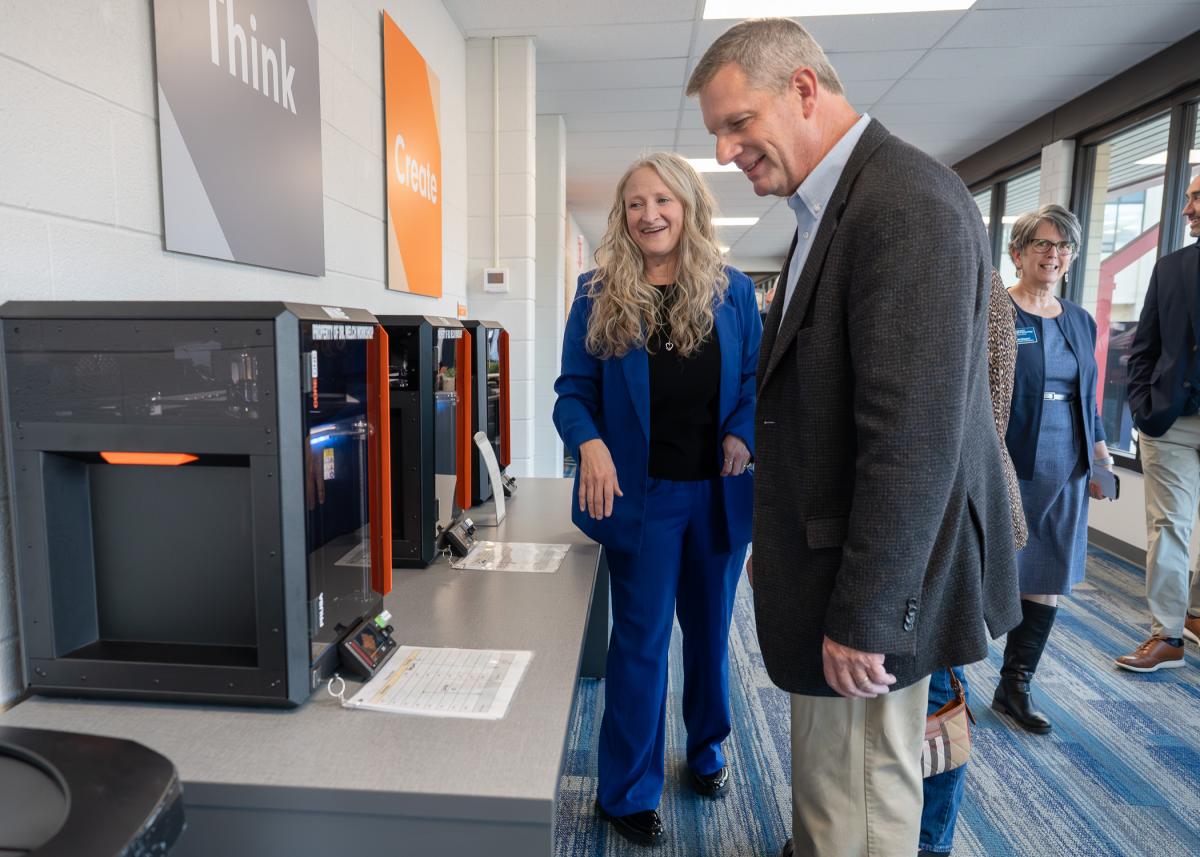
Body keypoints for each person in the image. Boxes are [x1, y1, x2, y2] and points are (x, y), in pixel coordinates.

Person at [688, 18, 1020, 857]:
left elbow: (911, 438)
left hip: (872, 596)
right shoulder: (826, 208)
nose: (726, 153)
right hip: (830, 561)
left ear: (803, 88)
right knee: (828, 796)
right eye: (716, 134)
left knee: (859, 813)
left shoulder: (903, 203)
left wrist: (870, 613)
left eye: (737, 123)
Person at [552, 152, 762, 846]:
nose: (650, 215)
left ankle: (706, 749)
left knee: (708, 634)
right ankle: (626, 789)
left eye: (664, 201)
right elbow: (572, 393)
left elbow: (758, 380)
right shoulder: (596, 293)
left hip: (717, 495)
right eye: (637, 203)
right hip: (641, 500)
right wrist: (590, 443)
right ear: (623, 215)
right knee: (639, 645)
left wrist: (740, 430)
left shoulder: (731, 292)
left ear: (690, 207)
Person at [920, 269, 1028, 857]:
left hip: (951, 507)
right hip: (892, 512)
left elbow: (989, 407)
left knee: (936, 687)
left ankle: (928, 842)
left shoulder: (977, 282)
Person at [991, 204, 1111, 736]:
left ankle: (1014, 684)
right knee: (987, 566)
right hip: (1009, 458)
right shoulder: (998, 312)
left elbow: (1091, 396)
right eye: (1042, 244)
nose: (1054, 255)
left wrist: (1102, 455)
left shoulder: (1080, 320)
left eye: (1063, 247)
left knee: (1048, 575)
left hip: (1070, 461)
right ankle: (943, 679)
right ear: (1017, 253)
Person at [1118, 174, 1200, 672]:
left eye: (1195, 197)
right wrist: (1142, 405)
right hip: (1169, 419)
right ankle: (1166, 633)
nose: (1187, 207)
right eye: (1188, 195)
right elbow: (1143, 345)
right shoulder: (1170, 268)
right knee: (1169, 525)